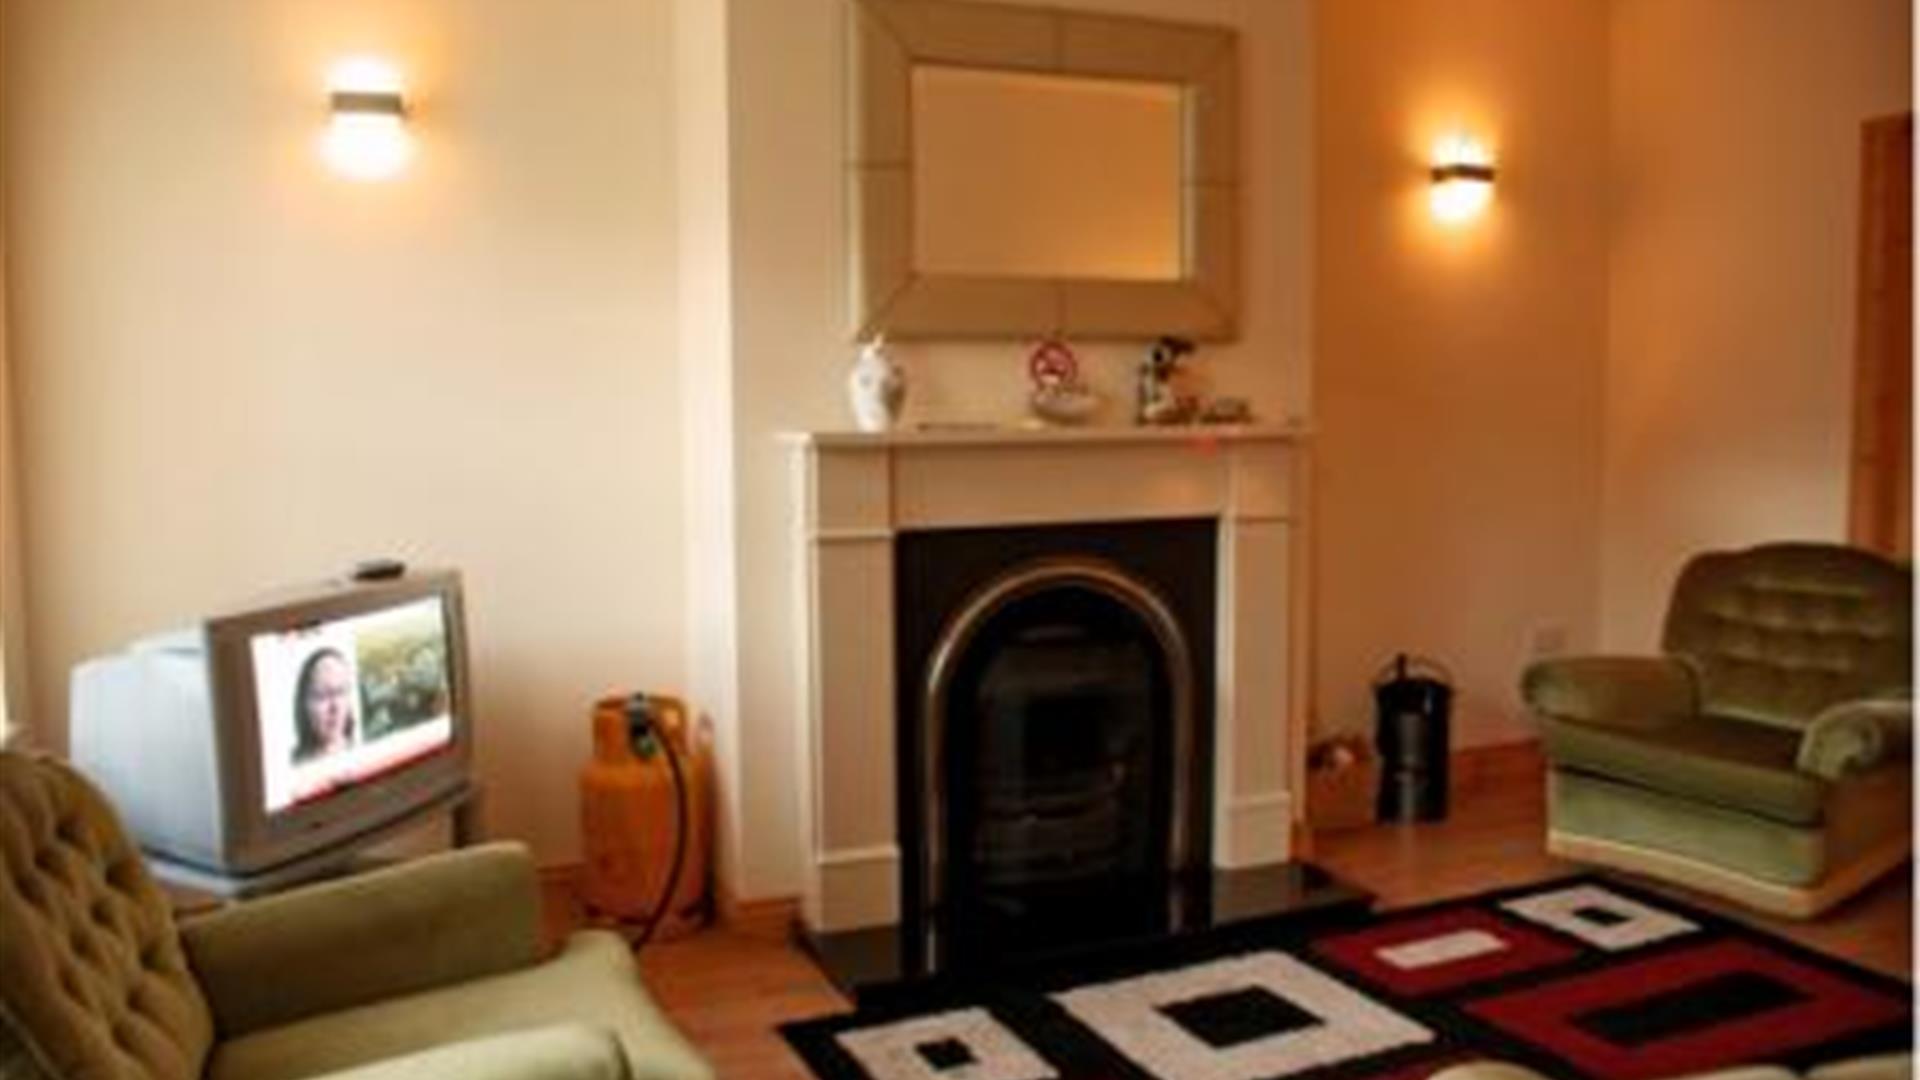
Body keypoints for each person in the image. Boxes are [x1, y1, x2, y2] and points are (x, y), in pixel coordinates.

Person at [293, 647, 357, 762]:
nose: (335, 707)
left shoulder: (364, 752)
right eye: (322, 695)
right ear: (304, 704)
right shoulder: (290, 765)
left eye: (341, 691)